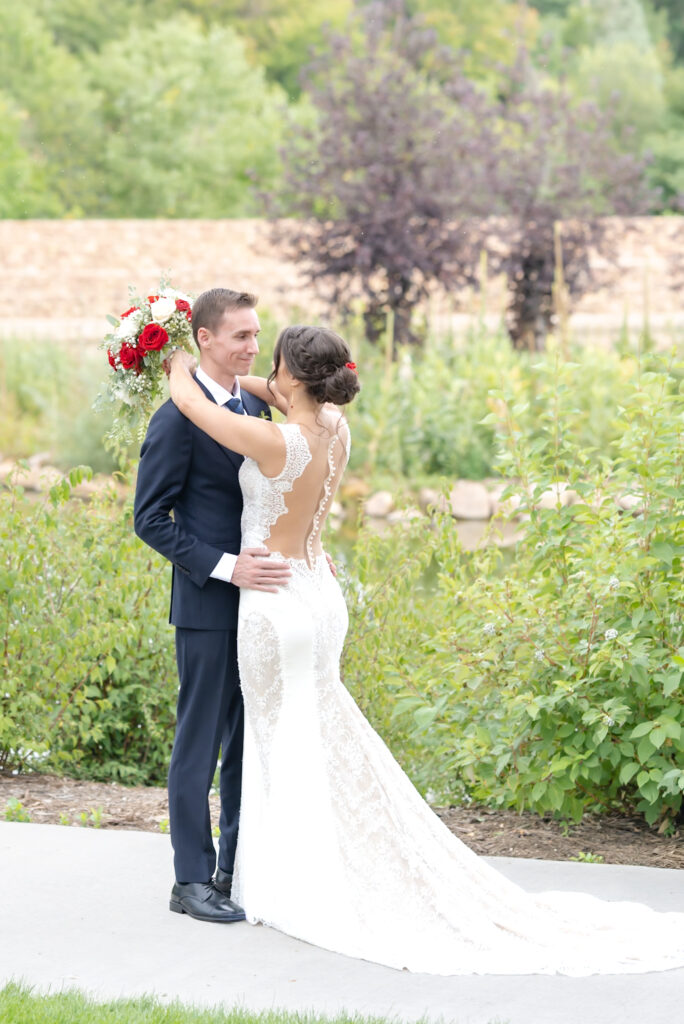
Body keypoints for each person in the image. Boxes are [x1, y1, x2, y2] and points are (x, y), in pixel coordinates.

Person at [166, 327, 684, 976]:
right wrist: (236, 376)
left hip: (273, 608)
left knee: (278, 741)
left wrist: (179, 364)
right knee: (315, 733)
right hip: (321, 596)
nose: (266, 374)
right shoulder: (333, 429)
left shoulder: (275, 440)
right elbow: (264, 390)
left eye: (274, 366)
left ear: (292, 380)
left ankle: (289, 883)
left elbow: (194, 408)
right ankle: (298, 866)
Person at [134, 287, 292, 924]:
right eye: (240, 337)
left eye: (257, 335)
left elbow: (273, 490)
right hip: (206, 603)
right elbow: (150, 519)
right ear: (204, 339)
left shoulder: (254, 400)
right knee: (198, 742)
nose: (253, 347)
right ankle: (189, 879)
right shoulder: (175, 417)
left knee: (248, 738)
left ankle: (232, 867)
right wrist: (227, 567)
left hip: (265, 601)